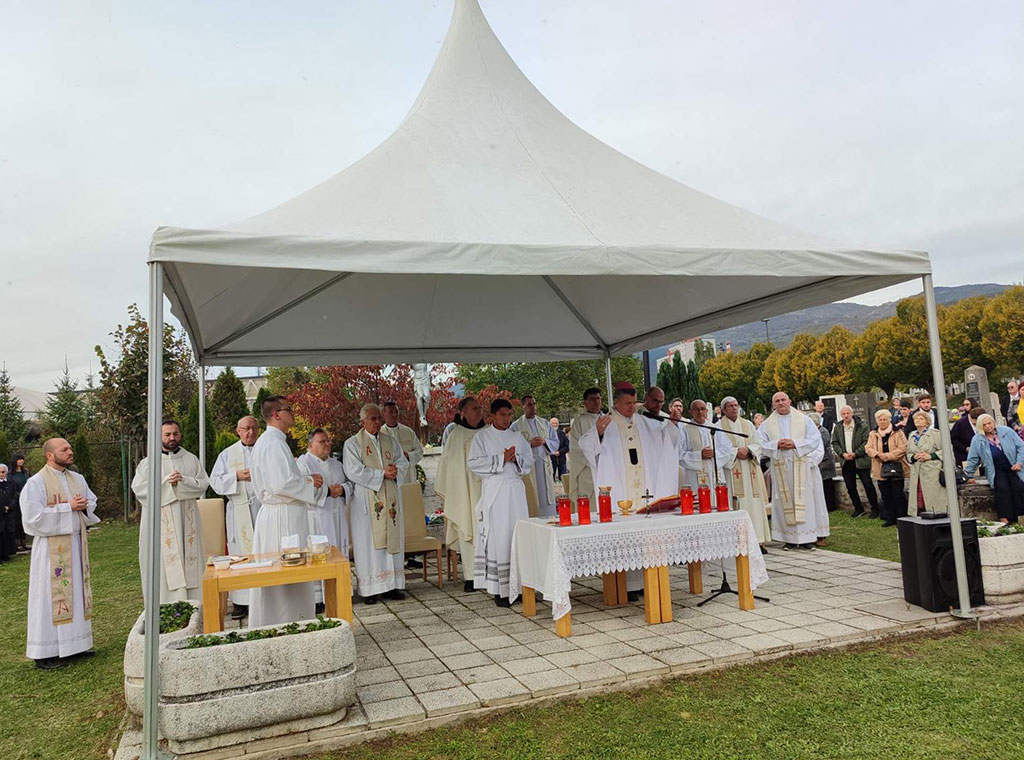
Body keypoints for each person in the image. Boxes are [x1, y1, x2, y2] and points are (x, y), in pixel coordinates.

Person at [579, 382, 679, 598]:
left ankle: (645, 582)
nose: (632, 407)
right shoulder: (605, 423)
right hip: (620, 489)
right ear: (616, 403)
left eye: (634, 403)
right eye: (627, 403)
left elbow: (666, 439)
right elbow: (585, 444)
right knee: (624, 537)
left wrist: (672, 424)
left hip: (644, 489)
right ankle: (627, 585)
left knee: (645, 534)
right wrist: (598, 433)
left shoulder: (644, 422)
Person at [20, 438, 99, 669]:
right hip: (49, 551)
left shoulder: (78, 478)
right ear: (50, 455)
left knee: (76, 595)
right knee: (49, 597)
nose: (70, 452)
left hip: (75, 544)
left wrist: (84, 505)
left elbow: (91, 502)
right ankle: (45, 652)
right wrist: (68, 507)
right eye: (64, 449)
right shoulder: (36, 483)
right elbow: (32, 519)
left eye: (70, 448)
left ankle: (75, 646)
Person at [249, 396, 323, 626]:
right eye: (288, 409)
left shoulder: (274, 441)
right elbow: (281, 484)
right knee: (286, 576)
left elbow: (282, 479)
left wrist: (305, 479)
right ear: (276, 415)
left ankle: (293, 621)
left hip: (282, 513)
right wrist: (310, 481)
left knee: (290, 577)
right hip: (282, 518)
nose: (293, 412)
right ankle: (286, 624)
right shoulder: (272, 443)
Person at [131, 420, 210, 606]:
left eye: (175, 433)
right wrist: (167, 482)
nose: (172, 437)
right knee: (162, 564)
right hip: (159, 522)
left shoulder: (191, 459)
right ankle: (164, 606)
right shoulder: (148, 463)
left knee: (190, 561)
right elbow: (139, 490)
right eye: (167, 434)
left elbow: (203, 484)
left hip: (187, 519)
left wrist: (183, 481)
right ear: (159, 437)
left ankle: (195, 605)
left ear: (180, 434)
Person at [468, 399, 533, 607]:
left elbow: (529, 460)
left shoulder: (517, 437)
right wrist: (500, 458)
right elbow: (473, 463)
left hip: (515, 493)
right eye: (503, 415)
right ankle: (501, 590)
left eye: (509, 415)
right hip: (496, 493)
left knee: (518, 535)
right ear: (493, 416)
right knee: (500, 538)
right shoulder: (482, 437)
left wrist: (516, 459)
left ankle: (521, 587)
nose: (507, 419)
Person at [343, 403, 409, 604]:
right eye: (373, 418)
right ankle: (370, 589)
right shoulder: (352, 444)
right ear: (363, 421)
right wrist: (382, 474)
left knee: (391, 541)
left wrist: (396, 471)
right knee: (369, 545)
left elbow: (403, 462)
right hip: (366, 503)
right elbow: (353, 470)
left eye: (379, 418)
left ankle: (392, 586)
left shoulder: (390, 441)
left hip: (390, 498)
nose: (378, 422)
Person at [757, 392, 830, 551]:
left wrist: (795, 443)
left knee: (804, 501)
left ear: (789, 401)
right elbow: (759, 443)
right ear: (773, 404)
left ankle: (806, 539)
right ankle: (788, 539)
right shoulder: (767, 424)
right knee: (785, 501)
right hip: (781, 468)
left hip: (801, 468)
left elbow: (814, 439)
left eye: (783, 399)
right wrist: (776, 444)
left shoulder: (804, 420)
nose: (781, 403)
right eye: (777, 401)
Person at [210, 416, 263, 616]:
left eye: (254, 428)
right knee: (240, 553)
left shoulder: (265, 450)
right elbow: (215, 482)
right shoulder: (227, 454)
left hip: (262, 507)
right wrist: (236, 476)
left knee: (263, 550)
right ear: (238, 431)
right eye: (246, 428)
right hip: (238, 508)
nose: (251, 432)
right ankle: (241, 601)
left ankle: (265, 596)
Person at [434, 396, 485, 592]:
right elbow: (449, 467)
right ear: (463, 413)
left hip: (488, 490)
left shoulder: (489, 432)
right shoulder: (456, 436)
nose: (478, 411)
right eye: (474, 408)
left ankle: (492, 573)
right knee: (467, 527)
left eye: (479, 408)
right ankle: (471, 576)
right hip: (465, 491)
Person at [298, 428, 350, 608]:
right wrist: (327, 492)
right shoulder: (303, 464)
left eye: (328, 441)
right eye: (322, 441)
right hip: (317, 516)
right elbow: (302, 490)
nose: (327, 444)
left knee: (339, 551)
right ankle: (318, 598)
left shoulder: (336, 464)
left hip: (337, 514)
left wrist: (343, 489)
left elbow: (349, 484)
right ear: (310, 445)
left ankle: (341, 591)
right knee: (319, 554)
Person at [718, 397, 770, 551]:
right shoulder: (718, 426)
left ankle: (757, 540)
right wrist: (735, 452)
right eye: (730, 406)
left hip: (749, 469)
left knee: (754, 505)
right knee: (736, 504)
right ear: (723, 410)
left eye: (736, 405)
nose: (734, 408)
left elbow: (759, 443)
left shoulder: (748, 424)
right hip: (732, 471)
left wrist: (749, 450)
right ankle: (738, 542)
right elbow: (719, 449)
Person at [965, 414, 1024, 524]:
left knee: (1018, 487)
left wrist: (1019, 463)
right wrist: (968, 475)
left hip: (1013, 465)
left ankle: (1020, 517)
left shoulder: (1006, 431)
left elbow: (1021, 447)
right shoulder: (977, 439)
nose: (988, 426)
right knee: (1001, 489)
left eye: (989, 423)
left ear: (993, 422)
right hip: (996, 468)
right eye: (984, 425)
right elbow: (973, 458)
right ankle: (1004, 518)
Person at [512, 395, 559, 516]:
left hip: (544, 465)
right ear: (523, 407)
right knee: (532, 496)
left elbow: (555, 442)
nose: (533, 407)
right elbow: (512, 447)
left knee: (546, 496)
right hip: (529, 468)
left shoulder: (544, 423)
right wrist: (529, 444)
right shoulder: (516, 426)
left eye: (534, 403)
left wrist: (545, 441)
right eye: (529, 404)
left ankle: (549, 516)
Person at [831, 405, 880, 518]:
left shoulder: (862, 425)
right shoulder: (838, 427)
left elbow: (866, 442)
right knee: (850, 486)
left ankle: (875, 509)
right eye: (843, 414)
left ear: (852, 413)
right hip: (846, 461)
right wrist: (842, 454)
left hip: (860, 460)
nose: (846, 416)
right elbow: (835, 443)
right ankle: (858, 508)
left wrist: (856, 453)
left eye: (848, 413)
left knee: (868, 485)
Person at [865, 409, 910, 527]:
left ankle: (901, 517)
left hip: (896, 466)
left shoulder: (898, 432)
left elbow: (903, 448)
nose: (882, 421)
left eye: (885, 419)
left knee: (898, 493)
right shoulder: (873, 433)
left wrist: (888, 456)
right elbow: (868, 448)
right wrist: (878, 455)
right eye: (880, 420)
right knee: (885, 494)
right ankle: (890, 517)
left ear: (889, 420)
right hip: (880, 467)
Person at [678, 399, 733, 493]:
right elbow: (679, 454)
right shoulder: (684, 430)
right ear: (691, 412)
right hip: (694, 475)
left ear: (707, 411)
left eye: (703, 409)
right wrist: (699, 455)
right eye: (696, 409)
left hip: (715, 472)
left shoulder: (715, 428)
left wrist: (714, 453)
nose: (700, 412)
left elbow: (727, 449)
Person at [567, 388, 603, 501]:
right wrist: (593, 461)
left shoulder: (607, 419)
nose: (596, 402)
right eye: (592, 399)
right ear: (585, 402)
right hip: (587, 470)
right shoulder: (579, 422)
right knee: (590, 504)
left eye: (598, 398)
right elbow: (576, 448)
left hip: (605, 469)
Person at [907, 411, 945, 515]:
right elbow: (908, 453)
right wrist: (913, 457)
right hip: (917, 471)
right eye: (916, 419)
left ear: (927, 422)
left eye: (921, 419)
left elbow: (945, 450)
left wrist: (930, 456)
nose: (918, 421)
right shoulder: (912, 435)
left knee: (933, 497)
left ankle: (937, 513)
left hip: (932, 470)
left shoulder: (935, 434)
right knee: (918, 498)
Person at [382, 401, 424, 486]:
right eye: (391, 412)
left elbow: (420, 451)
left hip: (407, 476)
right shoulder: (380, 434)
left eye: (396, 412)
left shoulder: (408, 431)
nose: (394, 414)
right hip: (389, 477)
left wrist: (408, 455)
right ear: (384, 414)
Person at [810, 412, 837, 521]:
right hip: (820, 462)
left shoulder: (823, 431)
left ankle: (831, 505)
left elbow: (822, 445)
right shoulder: (814, 432)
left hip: (826, 461)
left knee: (827, 484)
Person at [950, 399, 981, 465]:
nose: (965, 407)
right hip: (965, 455)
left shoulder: (983, 418)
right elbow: (953, 439)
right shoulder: (961, 422)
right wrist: (965, 448)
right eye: (964, 405)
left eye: (967, 404)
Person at [8, 455, 29, 551]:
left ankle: (24, 543)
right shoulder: (10, 475)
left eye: (22, 459)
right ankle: (17, 544)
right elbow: (12, 488)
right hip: (17, 500)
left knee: (24, 520)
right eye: (19, 459)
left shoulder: (26, 472)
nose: (21, 461)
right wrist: (19, 495)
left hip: (27, 499)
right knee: (17, 522)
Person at [0, 464, 19, 561]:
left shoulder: (11, 482)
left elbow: (15, 495)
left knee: (8, 532)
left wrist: (10, 506)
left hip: (9, 512)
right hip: (0, 513)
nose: (1, 474)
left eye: (3, 472)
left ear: (6, 472)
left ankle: (6, 553)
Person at [549, 417, 569, 483]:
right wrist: (552, 452)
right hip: (551, 458)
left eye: (556, 423)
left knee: (563, 478)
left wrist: (559, 452)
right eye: (553, 423)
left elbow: (567, 446)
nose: (554, 425)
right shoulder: (547, 434)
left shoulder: (562, 434)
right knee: (550, 477)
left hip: (561, 458)